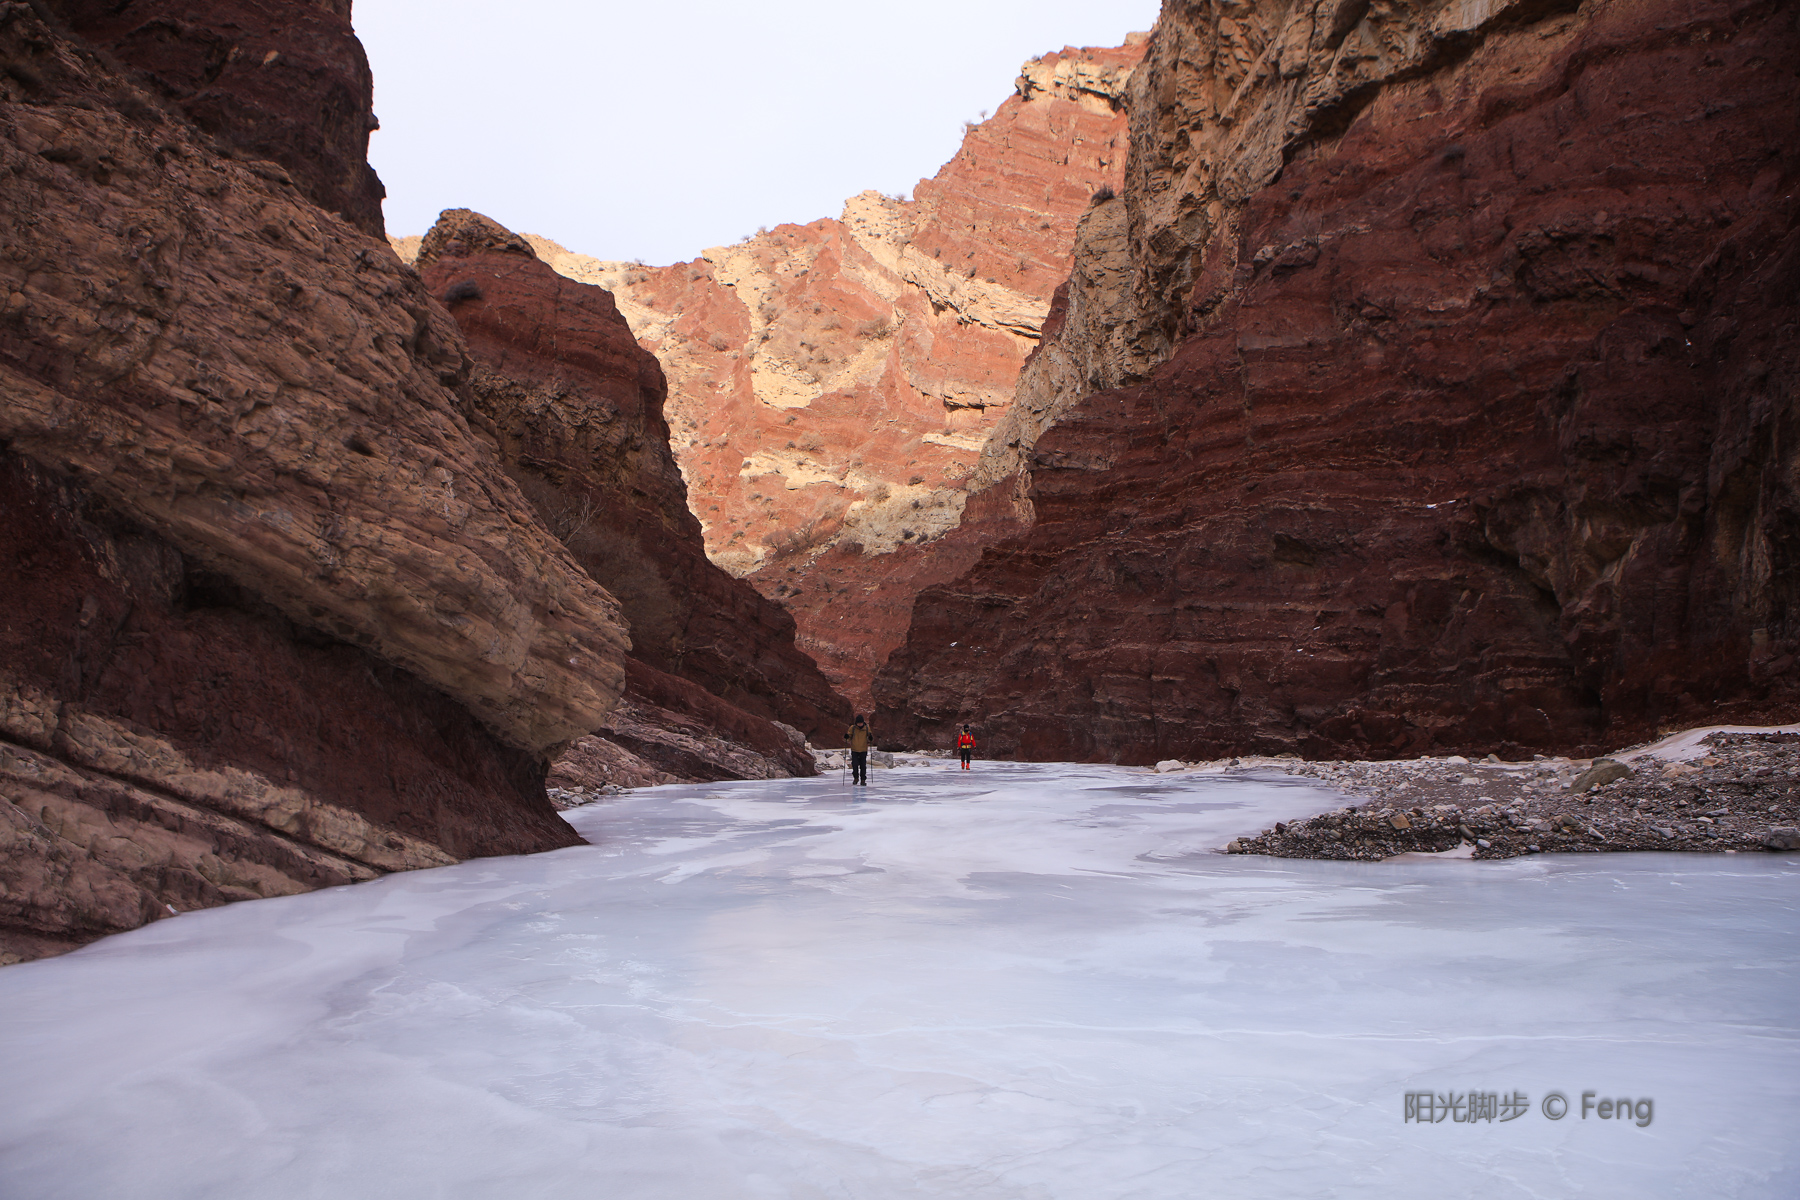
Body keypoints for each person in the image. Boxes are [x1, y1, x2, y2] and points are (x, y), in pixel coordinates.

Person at [845, 714, 871, 785]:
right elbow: (849, 737)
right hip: (854, 749)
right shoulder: (852, 728)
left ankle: (863, 780)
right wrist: (847, 737)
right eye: (858, 723)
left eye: (861, 723)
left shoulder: (867, 728)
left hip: (863, 750)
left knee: (863, 766)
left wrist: (870, 738)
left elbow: (869, 737)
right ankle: (855, 778)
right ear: (856, 723)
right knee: (855, 765)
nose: (860, 724)